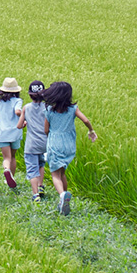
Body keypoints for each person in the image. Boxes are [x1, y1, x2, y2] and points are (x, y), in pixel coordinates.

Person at [41, 81, 95, 215]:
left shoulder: (49, 110)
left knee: (55, 174)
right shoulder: (73, 109)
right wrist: (91, 131)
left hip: (55, 143)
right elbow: (86, 120)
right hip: (69, 144)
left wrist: (51, 136)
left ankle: (62, 195)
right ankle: (65, 202)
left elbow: (46, 130)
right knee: (62, 172)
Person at [17, 80, 50, 200]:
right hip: (45, 143)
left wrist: (25, 122)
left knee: (32, 169)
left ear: (30, 94)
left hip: (31, 145)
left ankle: (35, 194)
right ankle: (41, 186)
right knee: (41, 164)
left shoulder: (26, 108)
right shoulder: (48, 107)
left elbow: (19, 126)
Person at [0, 78, 24, 189]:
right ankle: (11, 177)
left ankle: (6, 170)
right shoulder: (18, 101)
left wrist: (1, 117)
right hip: (15, 133)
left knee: (6, 158)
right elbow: (18, 111)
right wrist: (23, 119)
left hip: (2, 134)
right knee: (13, 157)